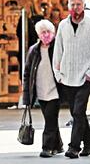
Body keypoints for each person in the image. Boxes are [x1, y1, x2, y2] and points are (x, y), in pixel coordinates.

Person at [53, 0, 90, 158]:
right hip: (67, 76)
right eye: (72, 4)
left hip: (85, 76)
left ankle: (74, 147)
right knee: (78, 112)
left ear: (84, 6)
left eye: (78, 4)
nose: (75, 8)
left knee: (78, 111)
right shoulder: (62, 26)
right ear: (68, 7)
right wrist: (57, 73)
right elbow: (58, 50)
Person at [22, 20, 62, 155]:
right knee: (50, 119)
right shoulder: (34, 50)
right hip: (41, 91)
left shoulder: (58, 47)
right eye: (42, 32)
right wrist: (26, 97)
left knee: (50, 119)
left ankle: (47, 147)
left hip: (55, 91)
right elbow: (27, 73)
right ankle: (58, 145)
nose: (45, 35)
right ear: (38, 34)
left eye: (48, 32)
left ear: (53, 32)